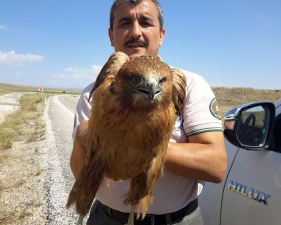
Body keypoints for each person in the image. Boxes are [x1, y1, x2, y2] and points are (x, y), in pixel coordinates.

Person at [70, 0, 227, 224]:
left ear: (161, 34)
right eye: (124, 23)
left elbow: (216, 166)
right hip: (107, 218)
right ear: (111, 35)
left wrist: (139, 144)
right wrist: (81, 138)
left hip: (176, 220)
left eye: (146, 22)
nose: (135, 32)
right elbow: (81, 175)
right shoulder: (95, 93)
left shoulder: (189, 84)